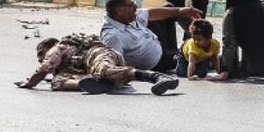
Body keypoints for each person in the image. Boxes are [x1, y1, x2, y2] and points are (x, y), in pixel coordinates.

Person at [15, 34, 179, 95]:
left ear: (49, 46)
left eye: (41, 53)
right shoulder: (62, 70)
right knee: (57, 82)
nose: (40, 58)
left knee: (104, 69)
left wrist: (29, 82)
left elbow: (47, 66)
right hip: (90, 70)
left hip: (96, 55)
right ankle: (92, 84)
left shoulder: (58, 48)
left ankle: (157, 77)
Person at [100, 0, 201, 72]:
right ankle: (196, 49)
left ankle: (198, 38)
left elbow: (151, 13)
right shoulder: (113, 36)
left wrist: (182, 11)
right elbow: (115, 68)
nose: (135, 8)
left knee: (170, 8)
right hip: (159, 61)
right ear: (119, 10)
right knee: (196, 60)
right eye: (131, 5)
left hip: (155, 40)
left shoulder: (126, 17)